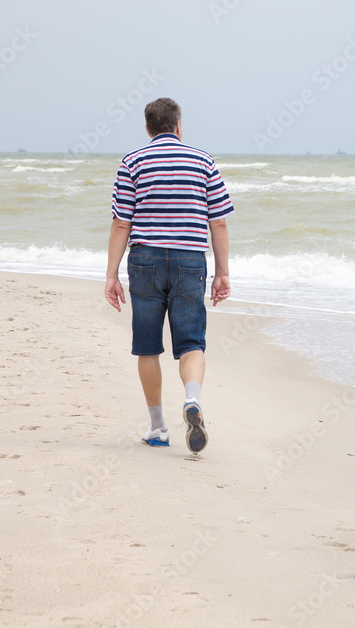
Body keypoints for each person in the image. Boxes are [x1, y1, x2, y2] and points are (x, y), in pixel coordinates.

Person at [104, 97, 233, 455]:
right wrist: (221, 272)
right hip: (190, 260)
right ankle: (193, 399)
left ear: (148, 129)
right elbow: (218, 221)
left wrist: (111, 275)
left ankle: (158, 427)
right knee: (191, 342)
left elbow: (121, 223)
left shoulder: (132, 161)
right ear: (179, 126)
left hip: (144, 260)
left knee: (148, 346)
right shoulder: (203, 161)